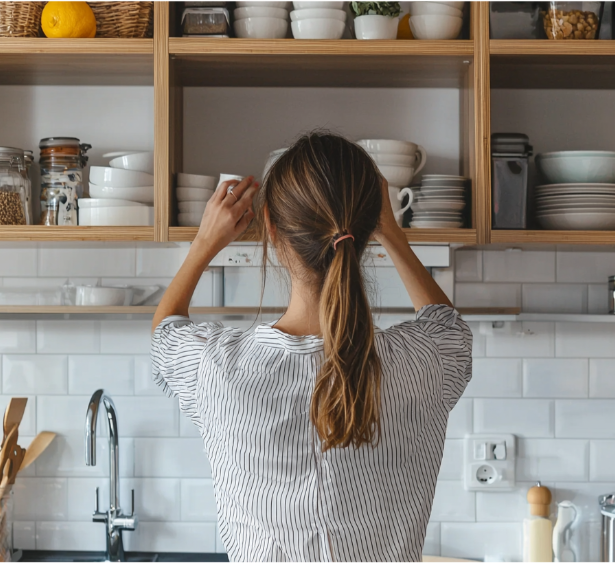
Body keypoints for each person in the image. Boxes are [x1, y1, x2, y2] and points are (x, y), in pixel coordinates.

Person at [152, 132, 472, 563]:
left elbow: (165, 333)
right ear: (366, 228)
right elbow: (447, 326)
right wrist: (392, 233)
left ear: (270, 229)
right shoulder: (423, 362)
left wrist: (204, 243)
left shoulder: (218, 368)